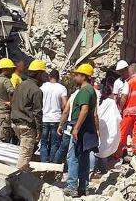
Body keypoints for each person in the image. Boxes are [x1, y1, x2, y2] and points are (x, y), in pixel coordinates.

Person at [64, 63, 99, 197]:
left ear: (84, 76)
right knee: (83, 158)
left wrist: (76, 128)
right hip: (87, 128)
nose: (75, 77)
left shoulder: (84, 91)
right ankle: (83, 187)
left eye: (77, 74)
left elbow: (84, 110)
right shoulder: (91, 90)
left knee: (73, 157)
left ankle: (72, 186)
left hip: (81, 127)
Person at [11, 59, 46, 170]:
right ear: (39, 73)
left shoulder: (21, 85)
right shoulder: (36, 90)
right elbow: (37, 113)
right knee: (25, 156)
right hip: (27, 126)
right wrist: (39, 130)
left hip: (16, 123)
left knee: (23, 151)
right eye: (43, 74)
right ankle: (19, 180)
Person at [40, 69, 68, 163]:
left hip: (44, 117)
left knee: (43, 142)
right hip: (56, 118)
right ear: (58, 78)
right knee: (54, 142)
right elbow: (65, 104)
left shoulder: (43, 87)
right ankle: (52, 162)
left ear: (49, 77)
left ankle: (44, 161)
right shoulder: (62, 88)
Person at [0, 58, 16, 143]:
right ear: (5, 69)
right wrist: (12, 103)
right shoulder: (6, 80)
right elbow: (13, 93)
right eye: (11, 69)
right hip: (4, 114)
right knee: (3, 141)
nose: (12, 71)